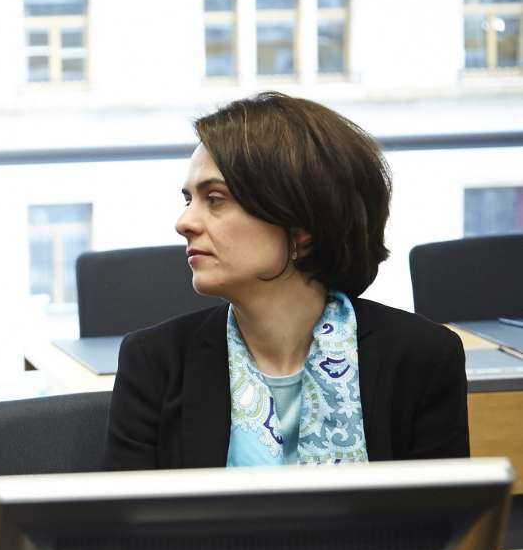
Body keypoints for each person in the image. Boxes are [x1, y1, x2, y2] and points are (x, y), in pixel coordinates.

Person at [106, 92, 468, 471]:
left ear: (301, 226)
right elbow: (128, 511)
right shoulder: (154, 362)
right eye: (188, 200)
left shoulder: (421, 358)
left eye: (215, 199)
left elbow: (443, 510)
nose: (184, 223)